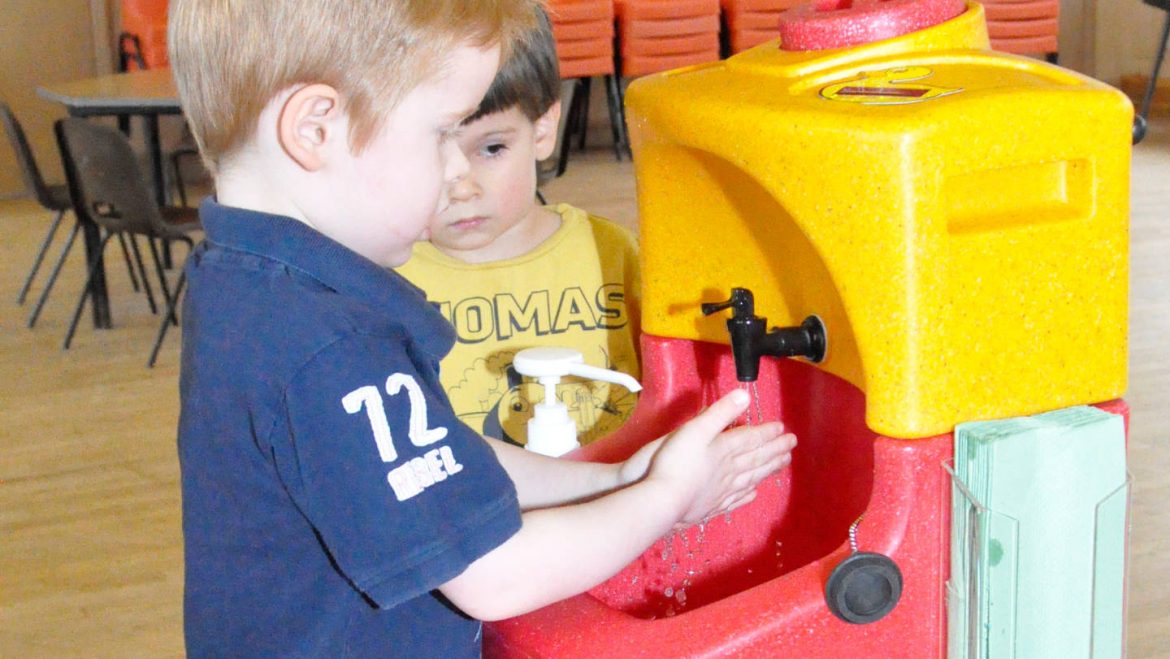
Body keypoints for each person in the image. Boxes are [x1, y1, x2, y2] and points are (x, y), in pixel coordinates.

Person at [169, 1, 797, 657]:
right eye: (440, 133)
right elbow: (496, 576)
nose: (454, 174)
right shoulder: (330, 341)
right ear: (317, 129)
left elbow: (446, 460)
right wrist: (668, 496)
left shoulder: (241, 283)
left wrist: (612, 480)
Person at [397, 8, 640, 448]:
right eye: (428, 151)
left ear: (543, 128)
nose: (462, 186)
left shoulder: (614, 253)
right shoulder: (387, 282)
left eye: (491, 148)